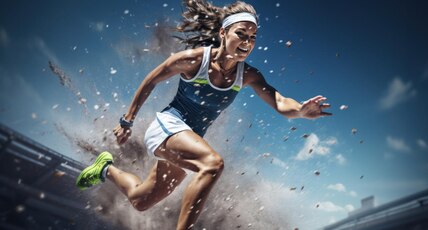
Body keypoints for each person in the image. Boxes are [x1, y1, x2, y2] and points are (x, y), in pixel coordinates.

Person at [75, 1, 332, 229]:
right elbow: (152, 79)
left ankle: (105, 169)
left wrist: (299, 110)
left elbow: (278, 101)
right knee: (212, 164)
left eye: (252, 38)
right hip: (167, 126)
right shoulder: (194, 60)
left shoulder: (249, 75)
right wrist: (127, 120)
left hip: (188, 139)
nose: (246, 43)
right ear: (223, 33)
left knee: (141, 200)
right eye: (240, 34)